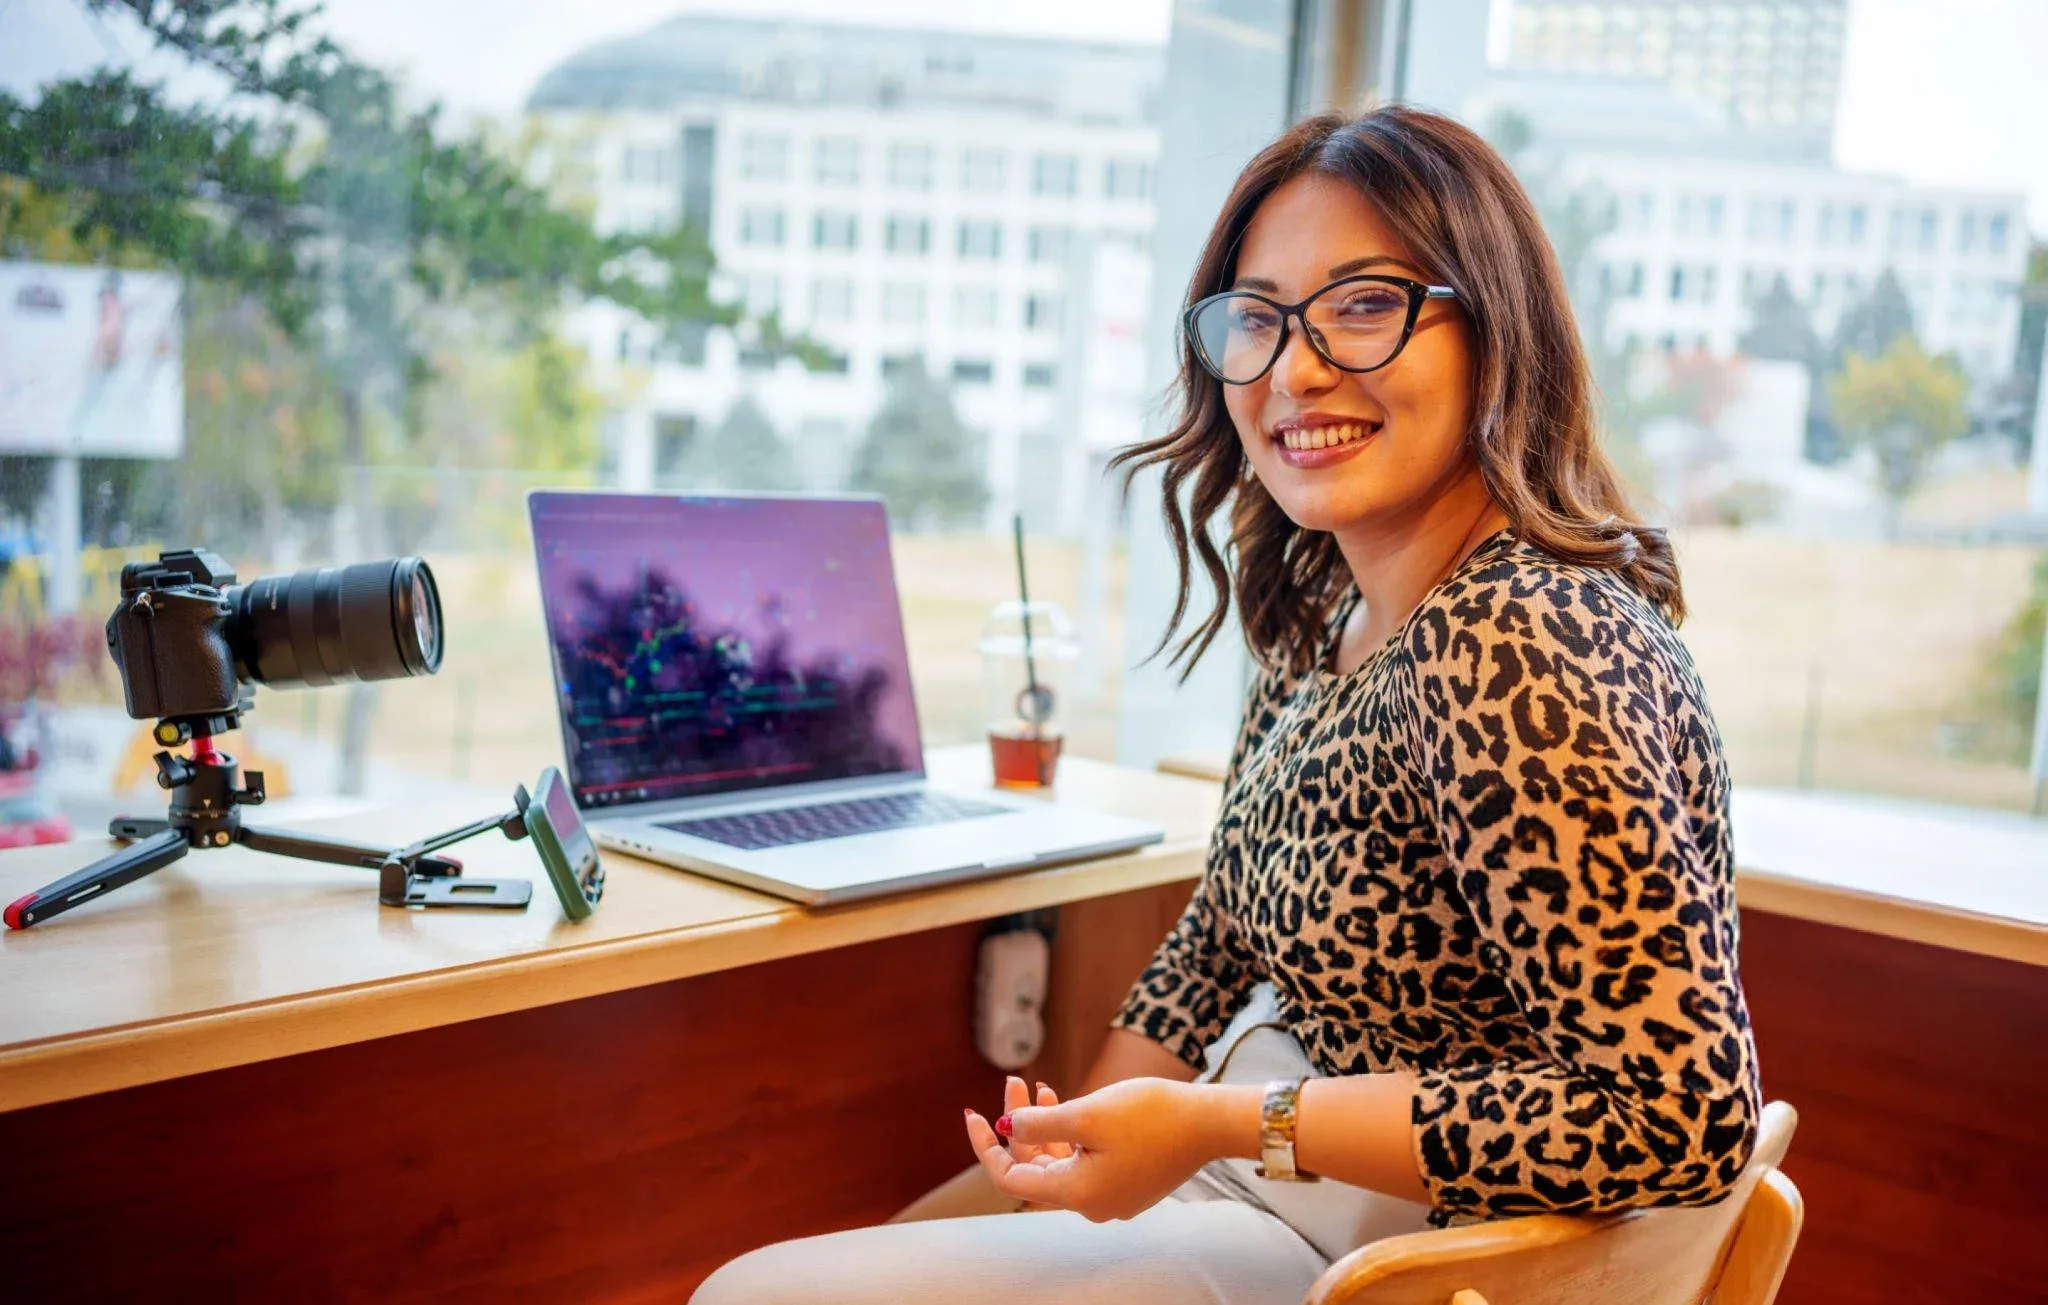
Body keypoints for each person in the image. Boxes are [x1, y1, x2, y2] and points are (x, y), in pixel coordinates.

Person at [691, 104, 1760, 1305]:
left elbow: (1677, 1118)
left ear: (1493, 329)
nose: (1294, 371)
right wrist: (1084, 1141)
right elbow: (1216, 942)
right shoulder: (1321, 617)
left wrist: (1216, 1124)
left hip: (1385, 1247)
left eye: (1363, 305)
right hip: (1267, 1177)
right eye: (1256, 321)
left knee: (750, 1294)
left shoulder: (1524, 634)